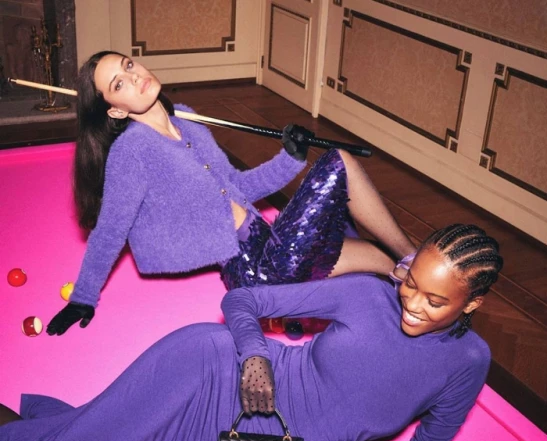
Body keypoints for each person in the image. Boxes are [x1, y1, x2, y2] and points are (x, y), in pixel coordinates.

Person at [0, 224, 503, 441]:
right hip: (209, 370)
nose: (412, 303)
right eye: (410, 283)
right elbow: (242, 299)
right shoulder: (367, 295)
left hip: (246, 437)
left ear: (472, 303)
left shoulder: (468, 361)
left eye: (435, 300)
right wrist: (256, 355)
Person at [46, 50, 415, 335]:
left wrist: (290, 157)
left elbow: (238, 187)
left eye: (128, 65)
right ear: (115, 111)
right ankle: (420, 260)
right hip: (258, 269)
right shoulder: (132, 151)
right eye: (119, 84)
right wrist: (83, 297)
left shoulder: (186, 121)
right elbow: (110, 230)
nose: (133, 76)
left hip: (271, 241)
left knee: (385, 263)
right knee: (341, 161)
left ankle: (414, 282)